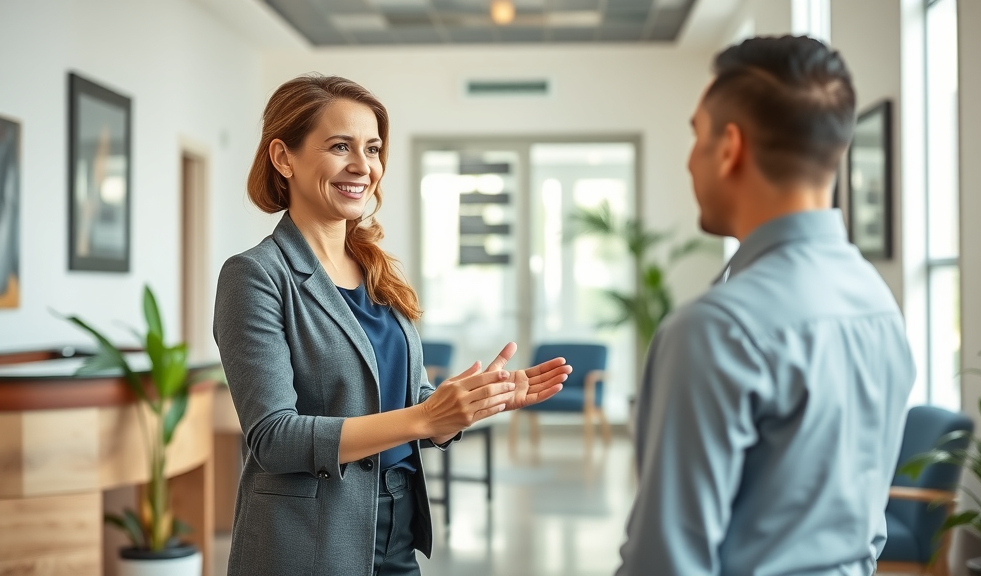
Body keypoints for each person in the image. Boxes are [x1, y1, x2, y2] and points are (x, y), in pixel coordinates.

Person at [213, 74, 572, 576]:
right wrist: (423, 419)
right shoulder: (255, 276)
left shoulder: (377, 271)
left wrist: (465, 403)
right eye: (341, 146)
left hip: (396, 532)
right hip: (308, 543)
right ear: (283, 157)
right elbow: (274, 437)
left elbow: (404, 403)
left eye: (374, 148)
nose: (364, 166)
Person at [616, 35, 916, 576]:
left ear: (729, 147)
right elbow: (868, 532)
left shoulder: (715, 331)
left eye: (696, 136)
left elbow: (667, 562)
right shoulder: (879, 305)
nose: (688, 161)